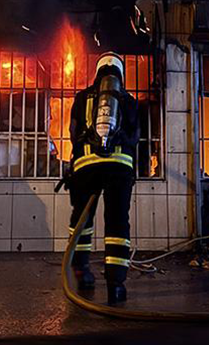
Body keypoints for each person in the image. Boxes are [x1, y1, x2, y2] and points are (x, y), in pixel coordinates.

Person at [66, 52, 140, 304]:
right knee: (118, 222)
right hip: (119, 167)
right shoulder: (128, 100)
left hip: (87, 165)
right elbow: (135, 136)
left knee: (82, 218)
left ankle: (81, 271)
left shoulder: (81, 97)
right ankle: (116, 284)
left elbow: (73, 132)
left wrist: (75, 161)